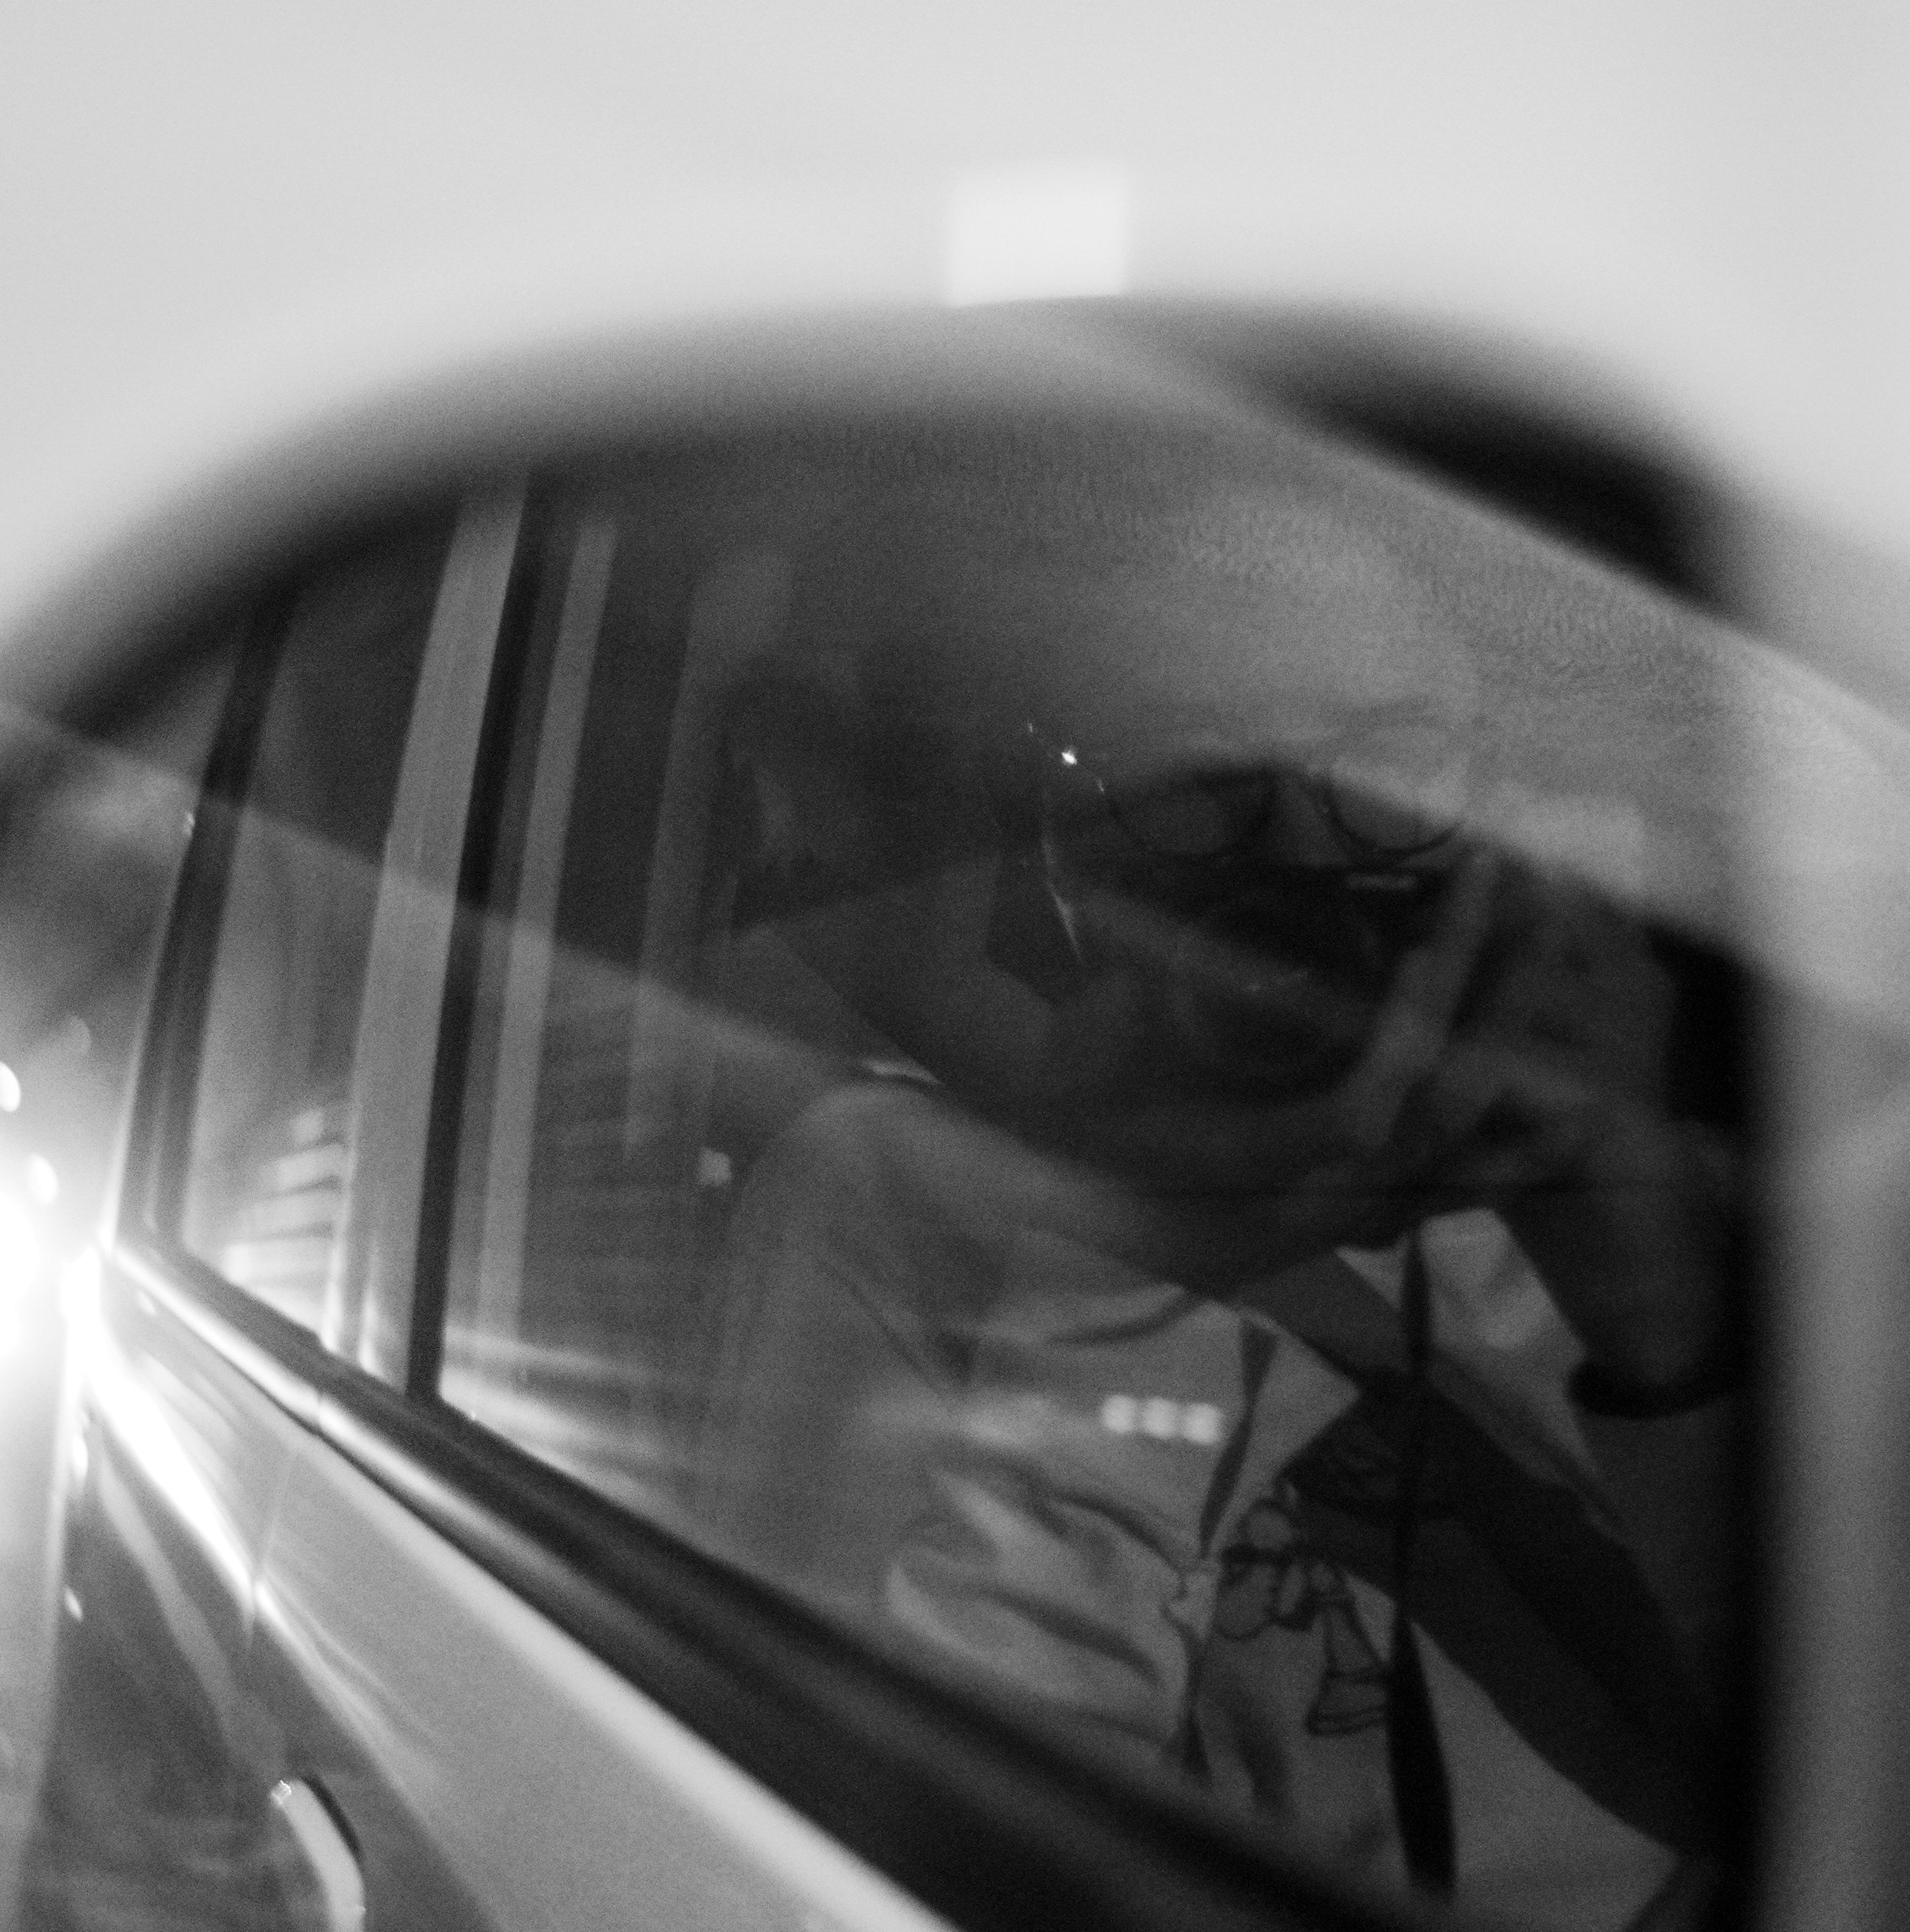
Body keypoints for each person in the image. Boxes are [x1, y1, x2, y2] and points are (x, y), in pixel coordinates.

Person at [689, 429, 1744, 1931]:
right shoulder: (888, 1200)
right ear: (1065, 845)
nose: (1301, 866)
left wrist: (1662, 1324)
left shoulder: (1616, 1184)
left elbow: (1885, 1761)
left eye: (1383, 763)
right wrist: (1129, 1266)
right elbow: (855, 1858)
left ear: (1498, 794)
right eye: (1194, 788)